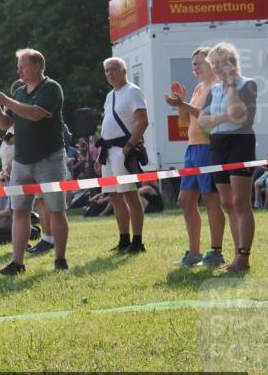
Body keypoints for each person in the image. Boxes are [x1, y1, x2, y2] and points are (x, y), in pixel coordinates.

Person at [0, 48, 70, 274]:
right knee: (19, 211)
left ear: (38, 67)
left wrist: (6, 100)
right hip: (22, 161)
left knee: (55, 210)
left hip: (49, 159)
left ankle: (60, 260)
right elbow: (5, 124)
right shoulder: (21, 92)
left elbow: (35, 114)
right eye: (18, 67)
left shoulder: (52, 88)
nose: (18, 71)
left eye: (22, 66)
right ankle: (17, 263)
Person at [198, 42, 258, 273]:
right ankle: (236, 254)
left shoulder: (247, 84)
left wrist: (232, 83)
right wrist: (223, 117)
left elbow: (240, 117)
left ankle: (243, 257)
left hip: (239, 143)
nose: (216, 70)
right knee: (227, 203)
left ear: (232, 64)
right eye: (213, 65)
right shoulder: (213, 90)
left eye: (220, 64)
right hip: (218, 144)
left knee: (241, 202)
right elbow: (203, 122)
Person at [163, 47, 227, 266]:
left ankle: (216, 253)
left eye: (199, 63)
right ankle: (194, 253)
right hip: (192, 149)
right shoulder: (200, 87)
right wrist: (180, 102)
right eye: (193, 64)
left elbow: (208, 118)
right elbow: (184, 122)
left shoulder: (217, 87)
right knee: (185, 200)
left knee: (211, 200)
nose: (195, 67)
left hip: (208, 149)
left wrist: (182, 104)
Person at [95, 57, 150, 254]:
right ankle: (124, 239)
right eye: (107, 70)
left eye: (114, 69)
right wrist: (100, 155)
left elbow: (142, 121)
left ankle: (137, 241)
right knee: (114, 196)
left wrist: (128, 147)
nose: (110, 73)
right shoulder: (110, 95)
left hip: (122, 150)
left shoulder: (133, 91)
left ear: (124, 71)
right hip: (108, 151)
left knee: (130, 195)